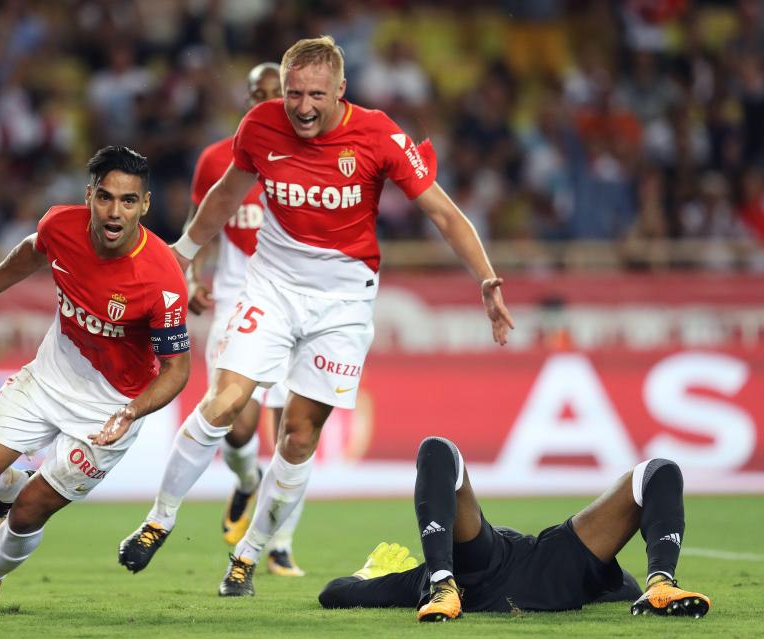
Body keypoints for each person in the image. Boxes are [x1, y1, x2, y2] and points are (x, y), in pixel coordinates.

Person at [119, 36, 514, 597]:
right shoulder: (260, 125)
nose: (303, 107)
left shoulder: (378, 134)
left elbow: (444, 215)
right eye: (294, 94)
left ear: (341, 90)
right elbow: (226, 196)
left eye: (316, 95)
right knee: (226, 402)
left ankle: (248, 556)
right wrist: (181, 253)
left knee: (299, 436)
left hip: (345, 303)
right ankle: (159, 518)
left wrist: (486, 279)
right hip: (272, 287)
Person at [0, 145, 191, 614]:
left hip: (110, 408)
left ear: (145, 205)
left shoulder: (161, 278)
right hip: (50, 375)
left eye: (129, 201)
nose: (116, 212)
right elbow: (34, 249)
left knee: (32, 509)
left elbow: (178, 369)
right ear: (89, 196)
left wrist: (130, 412)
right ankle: (13, 488)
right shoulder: (60, 225)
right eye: (106, 197)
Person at [120, 62, 305, 578]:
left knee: (295, 429)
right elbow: (201, 222)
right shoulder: (219, 159)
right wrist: (193, 278)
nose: (270, 100)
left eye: (279, 92)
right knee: (240, 427)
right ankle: (247, 482)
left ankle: (280, 545)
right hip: (234, 302)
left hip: (298, 308)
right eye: (260, 93)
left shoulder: (313, 156)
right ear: (247, 100)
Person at [318, 437, 712, 622]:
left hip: (477, 568)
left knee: (437, 448)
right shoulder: (565, 565)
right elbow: (619, 584)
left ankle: (444, 584)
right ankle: (660, 581)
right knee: (658, 471)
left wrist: (368, 573)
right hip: (557, 567)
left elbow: (335, 592)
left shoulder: (414, 578)